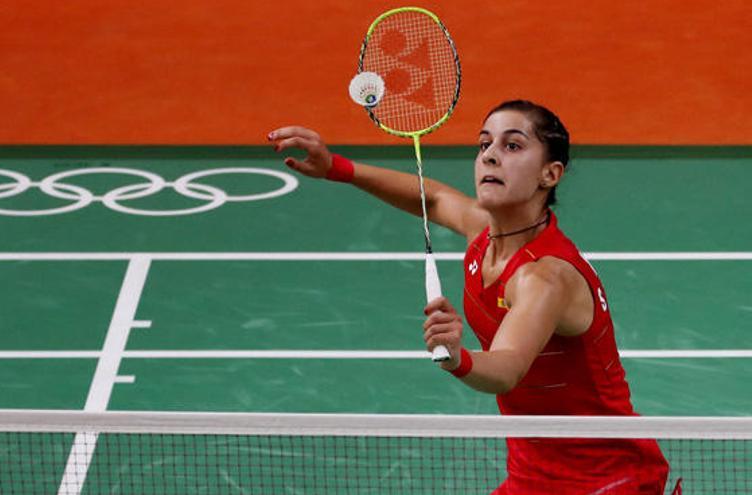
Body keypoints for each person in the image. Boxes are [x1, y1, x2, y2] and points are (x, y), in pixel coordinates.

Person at [268, 100, 674, 494]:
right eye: (484, 144)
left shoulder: (544, 277)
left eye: (512, 145)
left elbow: (506, 368)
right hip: (535, 473)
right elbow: (434, 198)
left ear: (550, 174)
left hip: (607, 476)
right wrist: (337, 168)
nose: (490, 156)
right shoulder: (484, 236)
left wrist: (457, 356)